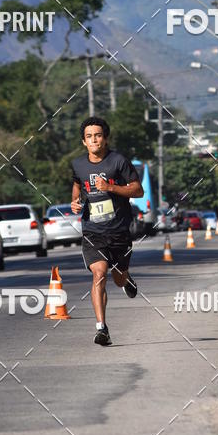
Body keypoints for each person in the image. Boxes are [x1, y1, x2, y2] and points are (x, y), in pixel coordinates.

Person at [71, 116, 144, 346]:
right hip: (93, 232)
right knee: (99, 275)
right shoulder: (78, 165)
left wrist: (110, 187)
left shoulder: (118, 161)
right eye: (89, 136)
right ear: (84, 142)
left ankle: (126, 278)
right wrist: (75, 202)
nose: (94, 140)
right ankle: (102, 328)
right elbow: (77, 186)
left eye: (98, 135)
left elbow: (138, 190)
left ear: (105, 138)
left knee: (118, 279)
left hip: (119, 230)